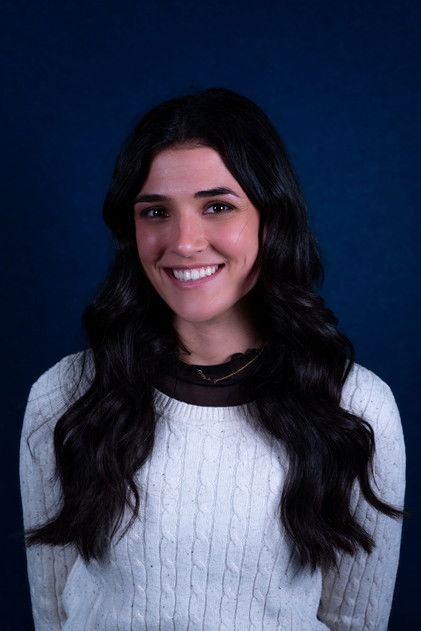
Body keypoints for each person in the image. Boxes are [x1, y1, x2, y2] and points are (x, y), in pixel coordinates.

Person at [20, 88, 405, 631]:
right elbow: (53, 609)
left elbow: (355, 619)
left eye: (217, 207)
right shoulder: (65, 396)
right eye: (156, 212)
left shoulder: (356, 406)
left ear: (271, 218)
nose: (184, 242)